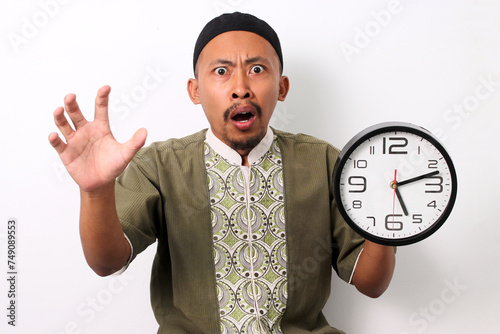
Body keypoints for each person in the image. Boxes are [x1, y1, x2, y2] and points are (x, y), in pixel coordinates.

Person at [49, 12, 395, 334]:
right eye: (221, 71)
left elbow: (371, 283)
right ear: (195, 91)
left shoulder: (324, 161)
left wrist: (387, 217)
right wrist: (95, 191)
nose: (241, 86)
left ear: (283, 87)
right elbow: (106, 262)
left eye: (258, 69)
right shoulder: (160, 165)